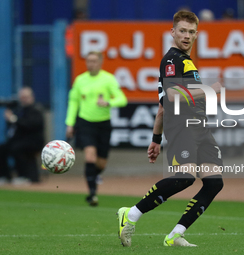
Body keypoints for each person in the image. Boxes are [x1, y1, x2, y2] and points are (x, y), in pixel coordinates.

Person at [117, 10, 223, 247]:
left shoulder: (185, 61)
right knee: (184, 178)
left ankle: (176, 233)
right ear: (173, 32)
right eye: (182, 31)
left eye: (191, 32)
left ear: (197, 34)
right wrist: (209, 89)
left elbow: (163, 106)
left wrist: (155, 138)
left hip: (199, 127)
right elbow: (174, 97)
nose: (187, 36)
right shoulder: (173, 59)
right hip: (182, 128)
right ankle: (131, 214)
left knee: (214, 182)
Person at [65, 51, 127, 206]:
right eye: (88, 61)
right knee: (90, 157)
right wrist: (70, 123)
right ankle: (92, 194)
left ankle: (93, 176)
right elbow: (73, 102)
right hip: (85, 122)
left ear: (100, 62)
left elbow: (122, 99)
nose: (90, 63)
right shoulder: (80, 80)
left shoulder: (108, 79)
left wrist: (108, 102)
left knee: (101, 164)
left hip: (103, 124)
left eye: (94, 61)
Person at [0, 87, 45, 185]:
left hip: (33, 141)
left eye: (26, 97)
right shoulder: (19, 110)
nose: (24, 99)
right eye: (22, 97)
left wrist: (13, 119)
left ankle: (24, 176)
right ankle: (4, 176)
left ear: (32, 97)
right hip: (18, 140)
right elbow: (12, 128)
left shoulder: (36, 110)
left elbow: (30, 125)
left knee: (17, 148)